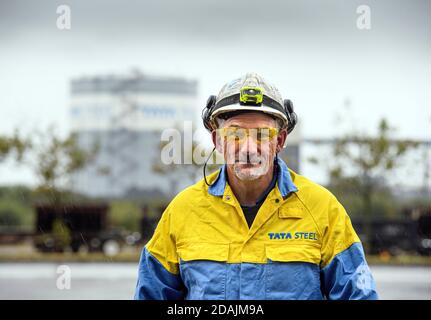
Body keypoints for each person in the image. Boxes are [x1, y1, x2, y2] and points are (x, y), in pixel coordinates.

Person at [134, 73, 378, 300]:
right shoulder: (183, 211)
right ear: (217, 141)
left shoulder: (322, 209)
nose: (249, 149)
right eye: (235, 135)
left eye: (262, 135)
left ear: (280, 141)